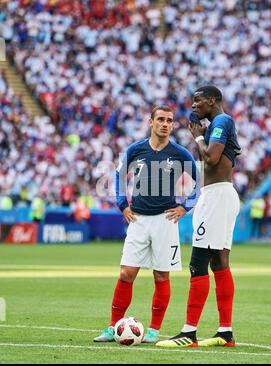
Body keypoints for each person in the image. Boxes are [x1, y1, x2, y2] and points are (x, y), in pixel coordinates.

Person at [93, 105, 199, 343]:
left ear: (173, 125)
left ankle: (153, 330)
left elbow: (200, 183)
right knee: (126, 273)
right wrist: (123, 204)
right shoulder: (136, 150)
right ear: (151, 122)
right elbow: (119, 176)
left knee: (161, 276)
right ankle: (112, 327)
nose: (165, 124)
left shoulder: (180, 153)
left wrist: (185, 206)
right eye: (160, 119)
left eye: (169, 121)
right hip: (138, 220)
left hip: (165, 220)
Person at [157, 85, 241, 348]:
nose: (193, 106)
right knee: (219, 263)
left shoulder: (222, 120)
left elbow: (213, 159)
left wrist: (199, 138)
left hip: (216, 196)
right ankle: (225, 332)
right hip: (222, 194)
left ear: (212, 100)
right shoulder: (221, 124)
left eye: (198, 101)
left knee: (198, 262)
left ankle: (189, 332)